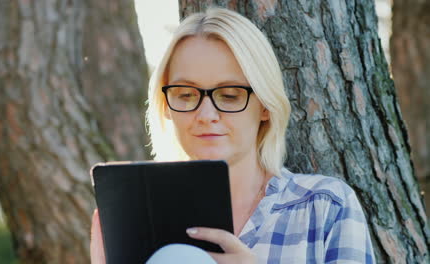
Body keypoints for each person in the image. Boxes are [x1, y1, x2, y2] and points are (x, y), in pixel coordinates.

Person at [90, 7, 376, 264]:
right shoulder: (136, 218)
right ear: (166, 106)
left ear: (264, 105)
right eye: (186, 94)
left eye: (229, 95)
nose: (206, 114)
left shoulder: (326, 208)